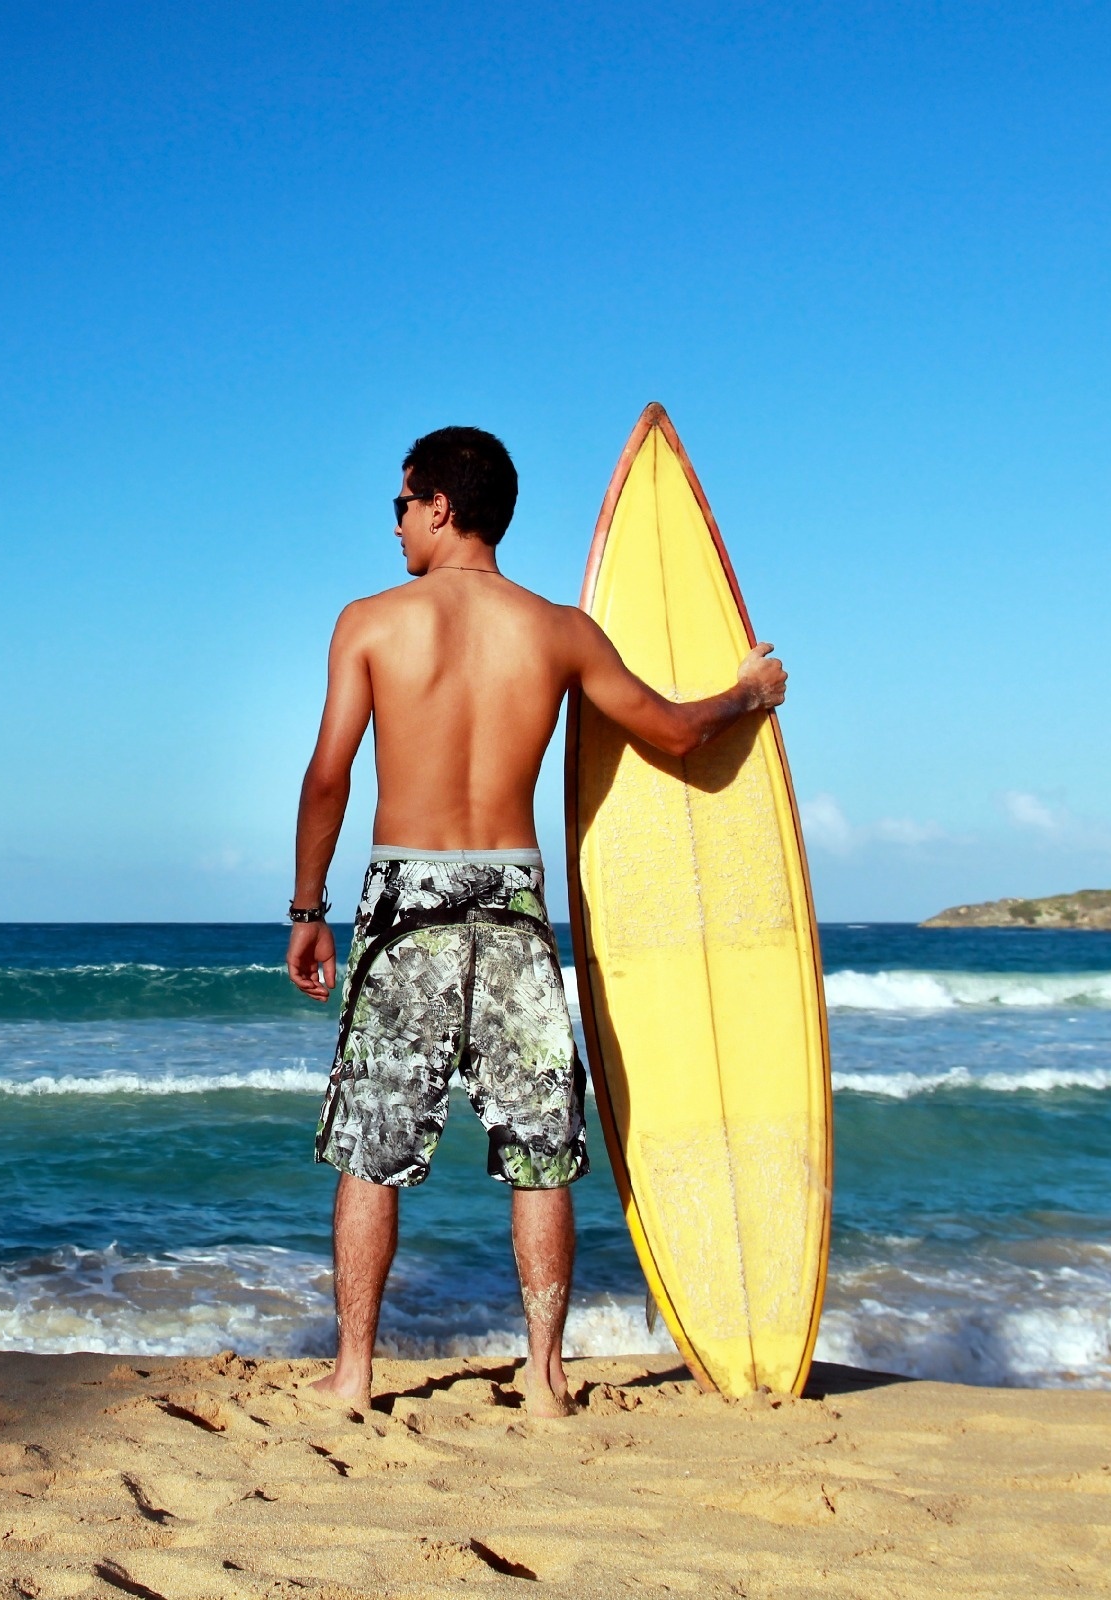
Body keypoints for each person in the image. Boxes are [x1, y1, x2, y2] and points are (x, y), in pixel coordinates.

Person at [284, 425, 787, 1417]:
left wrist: (309, 909)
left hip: (405, 902)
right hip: (514, 903)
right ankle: (548, 1380)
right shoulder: (559, 631)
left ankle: (352, 1373)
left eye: (398, 505)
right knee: (538, 1150)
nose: (392, 527)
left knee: (372, 1145)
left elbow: (329, 775)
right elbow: (676, 733)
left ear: (438, 505)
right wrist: (749, 693)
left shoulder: (370, 623)